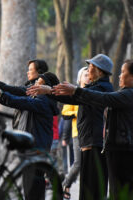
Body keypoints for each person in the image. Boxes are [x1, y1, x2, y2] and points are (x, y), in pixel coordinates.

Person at [53, 60, 133, 199]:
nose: (119, 75)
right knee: (117, 192)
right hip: (120, 148)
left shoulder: (129, 94)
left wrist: (76, 90)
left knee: (119, 193)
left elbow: (103, 97)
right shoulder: (129, 93)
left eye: (123, 72)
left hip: (123, 149)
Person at [27, 54, 114, 200]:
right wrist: (49, 91)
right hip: (87, 142)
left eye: (91, 68)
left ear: (99, 71)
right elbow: (71, 98)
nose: (88, 71)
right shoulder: (94, 87)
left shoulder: (103, 87)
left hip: (95, 143)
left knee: (93, 188)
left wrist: (52, 91)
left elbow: (77, 96)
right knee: (86, 187)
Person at [0, 72, 60, 200]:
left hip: (37, 147)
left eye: (39, 83)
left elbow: (19, 101)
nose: (34, 85)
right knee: (30, 184)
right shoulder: (36, 98)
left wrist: (0, 94)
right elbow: (12, 91)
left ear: (47, 88)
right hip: (33, 147)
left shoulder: (43, 101)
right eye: (36, 82)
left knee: (33, 185)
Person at [0, 59, 49, 131]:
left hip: (35, 140)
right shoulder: (30, 89)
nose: (27, 72)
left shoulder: (40, 94)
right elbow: (11, 100)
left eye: (30, 70)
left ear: (39, 73)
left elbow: (13, 93)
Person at [62, 67, 90, 199]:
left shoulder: (94, 93)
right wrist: (77, 113)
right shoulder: (73, 93)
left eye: (89, 75)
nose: (88, 77)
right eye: (85, 75)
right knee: (79, 163)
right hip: (77, 133)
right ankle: (65, 184)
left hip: (92, 134)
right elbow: (65, 113)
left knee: (89, 165)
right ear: (79, 78)